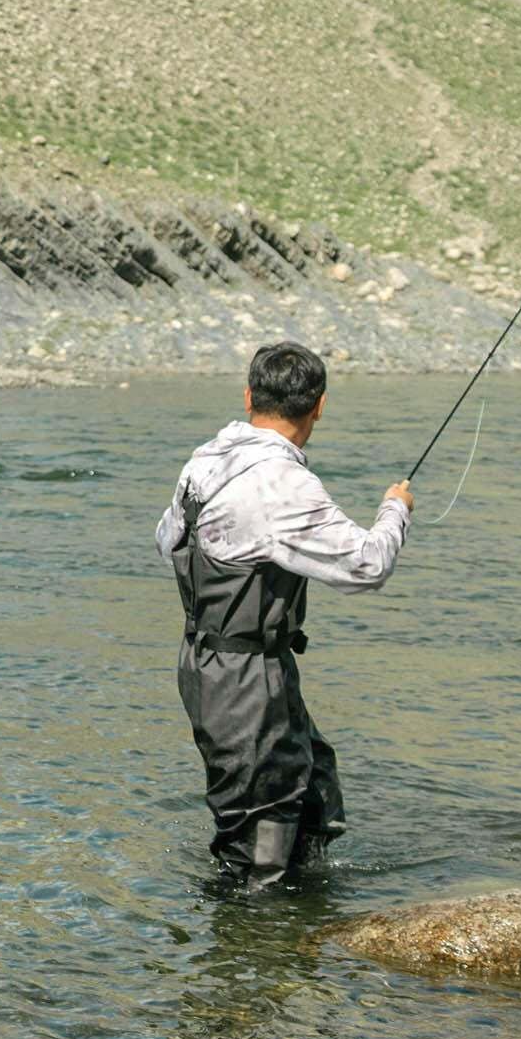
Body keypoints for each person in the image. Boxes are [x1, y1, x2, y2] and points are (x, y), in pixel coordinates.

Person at [156, 340, 412, 892]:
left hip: (207, 659)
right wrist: (396, 508)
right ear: (318, 407)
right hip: (246, 673)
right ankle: (254, 947)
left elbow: (166, 540)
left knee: (311, 782)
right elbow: (367, 566)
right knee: (261, 824)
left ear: (249, 395)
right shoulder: (282, 484)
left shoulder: (206, 459)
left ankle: (299, 922)